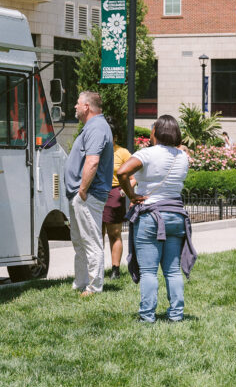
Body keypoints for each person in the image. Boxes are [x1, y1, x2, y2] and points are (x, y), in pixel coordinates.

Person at [115, 115, 196, 323]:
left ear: (156, 133)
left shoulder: (147, 154)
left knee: (149, 271)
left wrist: (132, 196)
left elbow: (122, 172)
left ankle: (147, 315)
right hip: (176, 215)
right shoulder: (182, 157)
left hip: (151, 215)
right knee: (172, 270)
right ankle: (177, 314)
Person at [64, 91, 114, 297]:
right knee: (80, 241)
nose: (74, 107)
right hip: (82, 193)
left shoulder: (97, 128)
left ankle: (94, 286)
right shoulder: (92, 127)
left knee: (91, 240)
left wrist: (82, 190)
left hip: (88, 194)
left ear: (86, 107)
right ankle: (81, 282)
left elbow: (92, 161)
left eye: (77, 103)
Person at [101, 115, 131, 281]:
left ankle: (115, 270)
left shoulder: (123, 153)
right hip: (97, 193)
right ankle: (97, 268)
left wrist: (125, 190)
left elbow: (134, 176)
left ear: (116, 136)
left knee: (114, 233)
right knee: (97, 234)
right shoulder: (96, 151)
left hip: (114, 193)